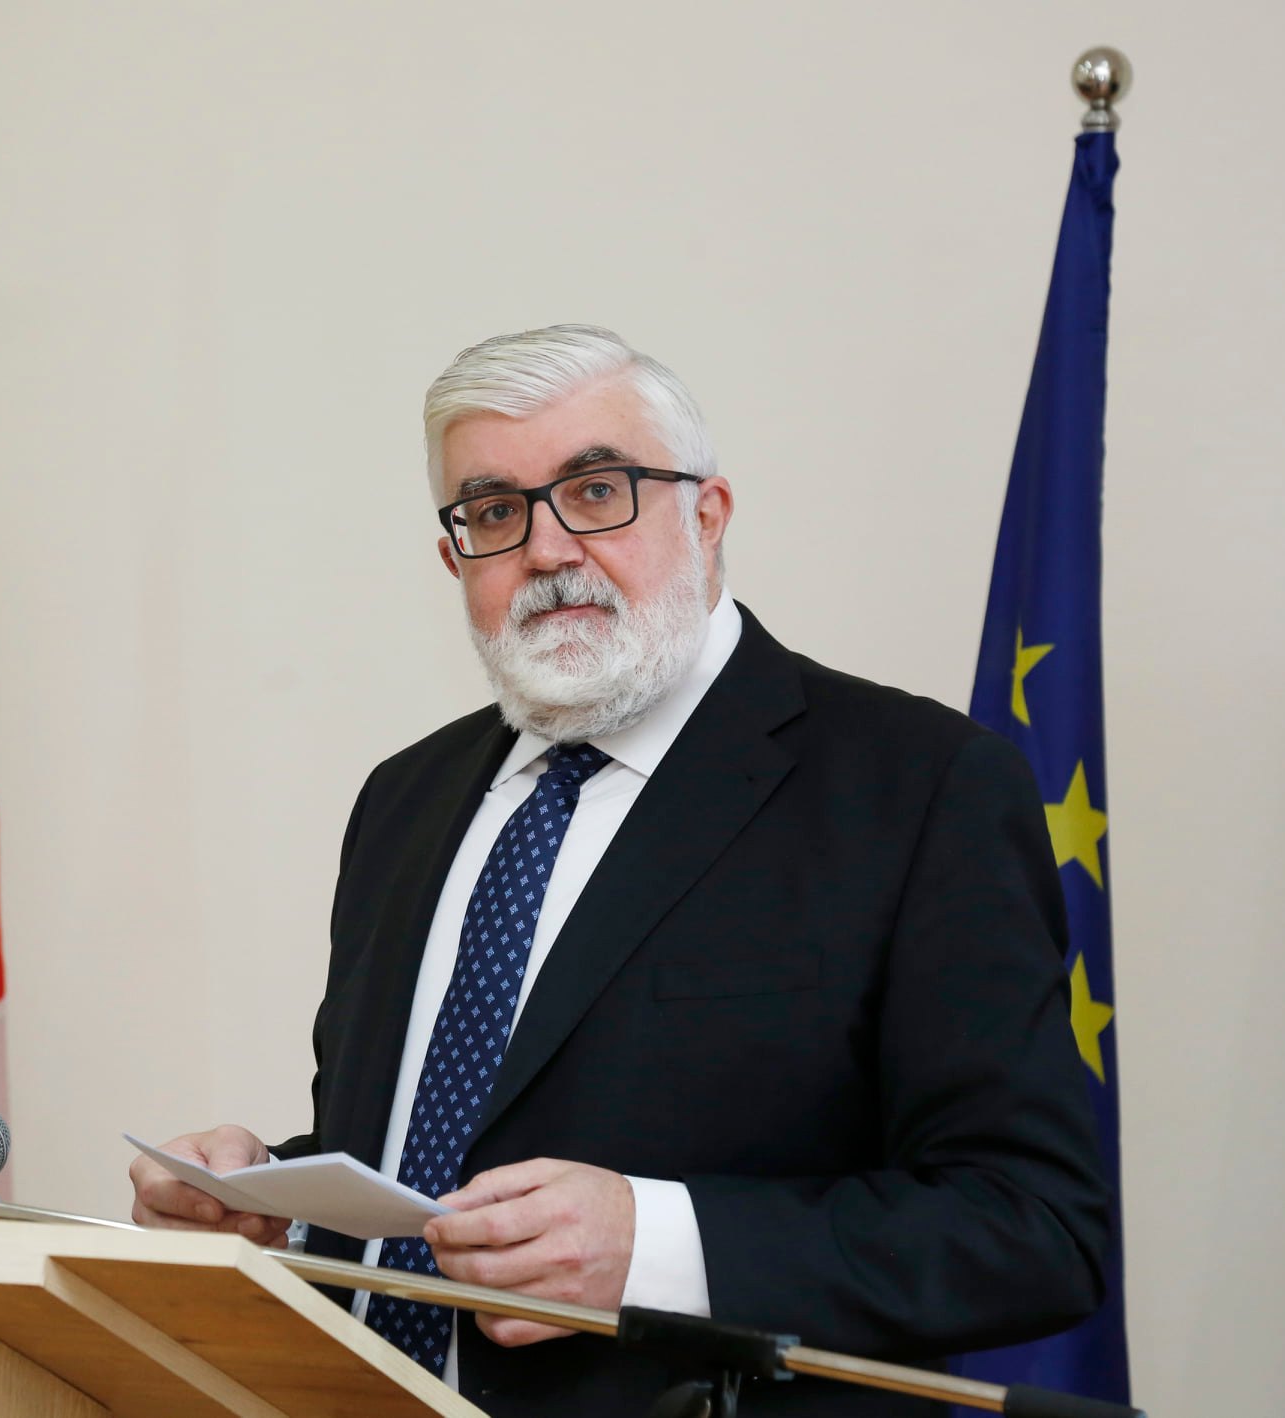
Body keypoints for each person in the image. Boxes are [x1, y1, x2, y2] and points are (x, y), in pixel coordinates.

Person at [129, 325, 1110, 1417]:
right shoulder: (405, 798)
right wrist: (266, 1197)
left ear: (708, 514)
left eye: (597, 491)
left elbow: (1032, 1226)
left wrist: (655, 1246)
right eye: (494, 511)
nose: (547, 549)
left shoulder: (916, 784)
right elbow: (437, 1151)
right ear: (455, 559)